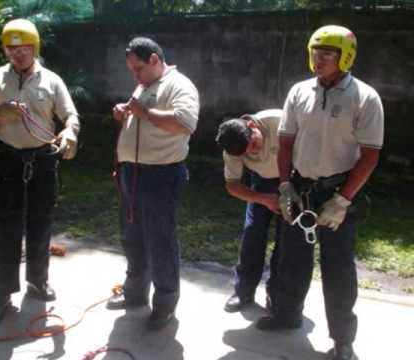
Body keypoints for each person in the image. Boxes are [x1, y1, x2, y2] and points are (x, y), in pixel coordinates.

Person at [256, 25, 384, 360]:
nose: (319, 58)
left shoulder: (365, 97)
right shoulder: (299, 91)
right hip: (299, 189)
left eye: (328, 53)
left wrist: (342, 201)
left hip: (337, 191)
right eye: (315, 51)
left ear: (347, 56)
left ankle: (343, 340)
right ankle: (287, 315)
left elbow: (370, 155)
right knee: (290, 260)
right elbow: (285, 143)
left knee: (338, 269)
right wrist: (284, 185)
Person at [0, 18, 80, 325]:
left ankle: (38, 281)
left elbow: (70, 115)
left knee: (40, 223)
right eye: (11, 48)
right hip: (7, 160)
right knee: (6, 228)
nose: (16, 54)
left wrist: (70, 133)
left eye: (23, 48)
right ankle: (1, 295)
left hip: (42, 160)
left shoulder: (51, 80)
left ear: (35, 47)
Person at [107, 37, 199, 330]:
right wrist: (123, 114)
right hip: (132, 173)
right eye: (131, 70)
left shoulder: (180, 84)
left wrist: (143, 113)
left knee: (160, 241)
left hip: (161, 175)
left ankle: (165, 304)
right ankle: (135, 294)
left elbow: (185, 123)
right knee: (132, 236)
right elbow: (138, 123)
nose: (134, 75)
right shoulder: (146, 84)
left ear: (155, 60)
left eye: (138, 69)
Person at [215, 110, 282, 313]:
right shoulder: (232, 147)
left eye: (252, 145)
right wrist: (264, 199)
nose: (252, 153)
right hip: (262, 182)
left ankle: (277, 296)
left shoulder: (280, 121)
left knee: (286, 239)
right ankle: (243, 291)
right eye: (245, 154)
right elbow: (232, 185)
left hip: (294, 178)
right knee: (252, 233)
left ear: (252, 127)